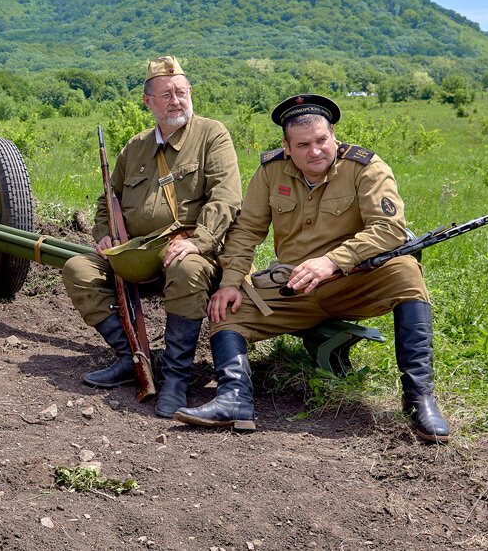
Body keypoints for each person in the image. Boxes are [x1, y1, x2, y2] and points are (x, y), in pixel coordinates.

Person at [174, 94, 449, 443]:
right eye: (303, 145)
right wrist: (229, 283)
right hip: (293, 286)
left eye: (322, 140)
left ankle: (419, 399)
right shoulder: (271, 171)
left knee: (406, 272)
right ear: (287, 147)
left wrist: (333, 261)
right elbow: (246, 232)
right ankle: (234, 399)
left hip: (353, 281)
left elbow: (390, 229)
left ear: (333, 134)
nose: (315, 151)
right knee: (226, 310)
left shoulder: (365, 166)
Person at [61, 56, 242, 417]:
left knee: (186, 269)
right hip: (138, 253)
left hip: (191, 250)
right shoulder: (135, 147)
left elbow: (227, 196)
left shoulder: (212, 134)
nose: (177, 100)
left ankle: (175, 377)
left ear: (190, 93)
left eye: (182, 92)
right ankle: (133, 357)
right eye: (167, 95)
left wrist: (199, 240)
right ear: (149, 102)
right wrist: (104, 236)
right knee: (78, 269)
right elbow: (106, 199)